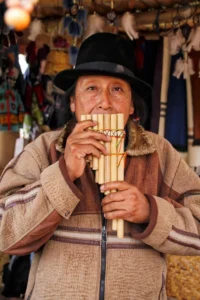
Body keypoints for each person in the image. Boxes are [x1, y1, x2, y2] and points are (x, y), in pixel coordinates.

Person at [0, 32, 200, 300]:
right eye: (91, 88)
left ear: (131, 105)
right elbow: (5, 234)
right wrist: (63, 175)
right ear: (73, 102)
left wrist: (150, 212)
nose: (105, 102)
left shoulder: (159, 153)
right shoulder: (44, 150)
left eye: (117, 89)